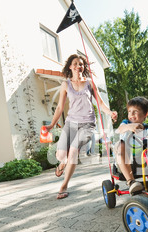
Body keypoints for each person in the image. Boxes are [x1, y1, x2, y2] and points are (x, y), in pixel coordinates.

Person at [46, 54, 117, 199]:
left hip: (87, 124)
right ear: (71, 67)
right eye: (76, 63)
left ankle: (64, 185)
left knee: (73, 151)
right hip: (71, 123)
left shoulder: (90, 83)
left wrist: (110, 113)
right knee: (60, 155)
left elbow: (100, 103)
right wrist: (52, 125)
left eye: (81, 64)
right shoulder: (65, 84)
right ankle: (61, 164)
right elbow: (60, 107)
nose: (79, 66)